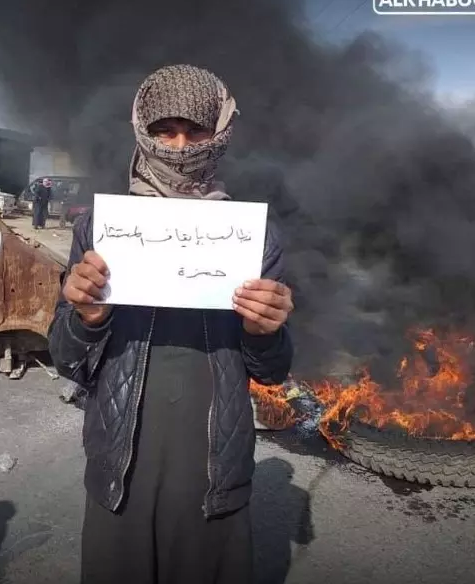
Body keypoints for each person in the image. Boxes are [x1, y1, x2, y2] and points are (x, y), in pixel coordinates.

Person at [47, 64, 295, 584]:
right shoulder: (100, 228)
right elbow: (66, 357)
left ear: (220, 132)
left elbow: (270, 372)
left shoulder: (252, 236)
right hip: (120, 465)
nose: (180, 146)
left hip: (212, 468)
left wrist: (265, 329)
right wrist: (87, 317)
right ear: (142, 130)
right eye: (165, 130)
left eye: (195, 130)